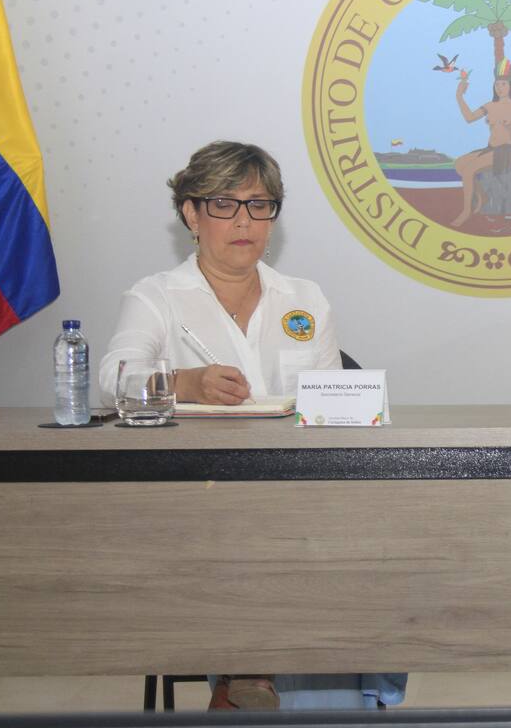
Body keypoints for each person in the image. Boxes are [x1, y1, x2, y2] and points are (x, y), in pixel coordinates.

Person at [99, 141, 407, 711]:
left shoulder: (305, 298)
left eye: (259, 206)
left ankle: (267, 679)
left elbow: (335, 409)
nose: (244, 221)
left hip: (298, 492)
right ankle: (252, 672)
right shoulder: (158, 297)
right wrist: (185, 384)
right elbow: (112, 378)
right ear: (190, 214)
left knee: (378, 542)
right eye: (225, 204)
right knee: (266, 542)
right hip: (198, 500)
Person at [452, 57, 511, 226]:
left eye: (503, 84)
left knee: (468, 171)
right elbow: (469, 118)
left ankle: (466, 211)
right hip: (490, 149)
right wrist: (459, 96)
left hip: (505, 152)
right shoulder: (490, 105)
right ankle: (482, 196)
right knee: (459, 164)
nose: (499, 88)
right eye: (497, 84)